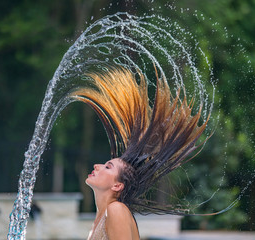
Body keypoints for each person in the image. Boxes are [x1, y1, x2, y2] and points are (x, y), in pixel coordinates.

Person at [71, 65, 209, 239]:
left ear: (117, 186)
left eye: (108, 167)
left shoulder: (116, 210)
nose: (97, 166)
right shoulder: (101, 218)